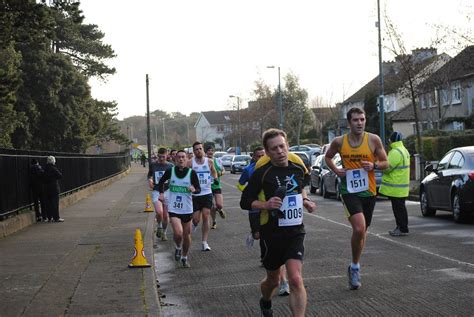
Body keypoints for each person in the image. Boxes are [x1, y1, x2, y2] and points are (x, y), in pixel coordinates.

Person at [240, 129, 316, 317]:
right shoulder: (261, 174)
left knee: (296, 279)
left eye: (282, 146)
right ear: (267, 152)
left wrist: (305, 201)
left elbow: (300, 189)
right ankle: (265, 301)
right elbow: (245, 201)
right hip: (271, 234)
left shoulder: (297, 168)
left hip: (295, 230)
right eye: (274, 149)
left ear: (287, 146)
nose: (280, 151)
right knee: (273, 281)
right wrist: (265, 204)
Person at [324, 107, 388, 290]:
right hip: (349, 191)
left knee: (363, 232)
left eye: (362, 119)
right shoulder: (339, 142)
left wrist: (374, 165)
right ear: (349, 122)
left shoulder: (373, 140)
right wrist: (336, 170)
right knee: (359, 228)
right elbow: (328, 158)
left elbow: (386, 162)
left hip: (369, 192)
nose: (360, 123)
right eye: (356, 120)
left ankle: (354, 264)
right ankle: (355, 267)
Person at [157, 150, 201, 268]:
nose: (181, 159)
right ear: (175, 159)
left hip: (187, 209)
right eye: (179, 157)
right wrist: (161, 193)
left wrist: (194, 189)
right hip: (174, 208)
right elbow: (160, 182)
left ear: (187, 159)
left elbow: (198, 189)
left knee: (187, 236)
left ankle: (184, 256)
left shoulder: (191, 173)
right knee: (178, 233)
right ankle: (177, 247)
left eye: (183, 157)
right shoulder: (170, 171)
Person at [379, 131, 411, 237]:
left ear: (391, 141)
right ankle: (401, 227)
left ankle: (402, 228)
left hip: (395, 186)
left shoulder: (395, 152)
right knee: (400, 208)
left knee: (398, 209)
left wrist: (380, 168)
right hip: (402, 186)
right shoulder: (404, 150)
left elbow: (387, 168)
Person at [188, 141, 218, 252]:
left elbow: (214, 172)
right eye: (196, 149)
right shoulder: (190, 163)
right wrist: (189, 185)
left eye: (200, 148)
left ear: (203, 150)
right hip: (195, 194)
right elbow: (185, 174)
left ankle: (204, 242)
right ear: (194, 151)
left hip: (207, 193)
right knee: (196, 219)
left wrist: (214, 178)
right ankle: (194, 225)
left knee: (206, 215)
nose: (198, 151)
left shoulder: (209, 161)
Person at [148, 147, 173, 241]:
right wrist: (150, 180)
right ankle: (159, 225)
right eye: (159, 156)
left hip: (167, 191)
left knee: (166, 216)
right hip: (156, 190)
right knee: (159, 212)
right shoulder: (153, 165)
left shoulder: (171, 166)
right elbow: (149, 174)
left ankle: (164, 232)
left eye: (163, 156)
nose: (161, 158)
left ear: (167, 155)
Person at [205, 145, 226, 229]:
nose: (210, 152)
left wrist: (221, 173)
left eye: (212, 150)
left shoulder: (217, 160)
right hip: (207, 187)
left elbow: (223, 170)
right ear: (206, 152)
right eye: (209, 150)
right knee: (212, 207)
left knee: (219, 205)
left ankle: (220, 210)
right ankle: (214, 221)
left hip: (216, 185)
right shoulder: (204, 161)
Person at [43, 156, 64, 222]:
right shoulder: (53, 168)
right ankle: (56, 217)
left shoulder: (45, 169)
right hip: (54, 188)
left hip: (46, 188)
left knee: (48, 203)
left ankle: (49, 217)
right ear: (53, 161)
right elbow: (60, 176)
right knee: (55, 203)